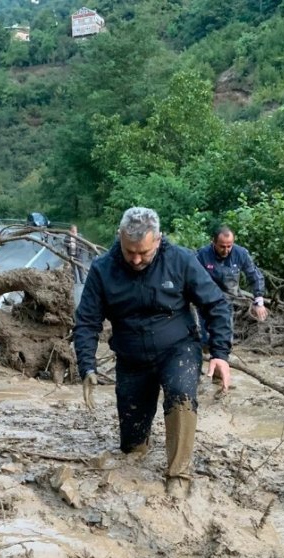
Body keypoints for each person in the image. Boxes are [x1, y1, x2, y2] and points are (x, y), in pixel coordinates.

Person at [73, 207, 233, 499]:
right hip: (131, 359)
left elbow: (216, 305)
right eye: (129, 251)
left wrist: (220, 353)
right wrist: (87, 366)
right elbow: (86, 321)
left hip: (178, 348)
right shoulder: (102, 269)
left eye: (143, 253)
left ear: (158, 241)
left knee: (181, 394)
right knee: (132, 448)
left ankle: (178, 476)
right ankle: (137, 454)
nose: (135, 259)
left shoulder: (181, 260)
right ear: (120, 238)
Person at [196, 226, 267, 328]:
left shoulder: (241, 253)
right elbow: (191, 278)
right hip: (206, 302)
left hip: (228, 301)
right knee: (204, 338)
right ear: (213, 242)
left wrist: (259, 302)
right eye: (222, 246)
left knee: (225, 337)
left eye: (229, 246)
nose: (226, 250)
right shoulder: (202, 255)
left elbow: (254, 275)